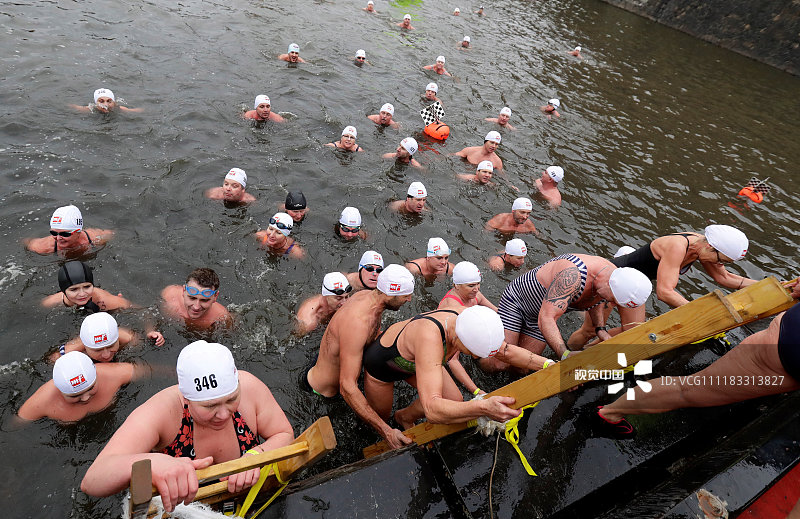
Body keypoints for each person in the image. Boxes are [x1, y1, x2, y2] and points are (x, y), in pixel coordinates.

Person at [81, 341, 294, 513]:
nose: (223, 414)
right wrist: (155, 463)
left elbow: (284, 434)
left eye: (231, 400)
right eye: (210, 406)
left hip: (253, 498)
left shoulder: (250, 388)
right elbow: (93, 480)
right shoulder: (162, 411)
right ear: (186, 398)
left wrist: (257, 455)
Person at [595, 284, 800, 438]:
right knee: (686, 390)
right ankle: (610, 413)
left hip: (785, 331)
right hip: (780, 357)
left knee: (686, 388)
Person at [363, 306, 554, 429]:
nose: (473, 357)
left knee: (455, 400)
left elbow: (507, 351)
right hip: (383, 369)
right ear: (456, 339)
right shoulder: (430, 337)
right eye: (471, 353)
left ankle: (404, 417)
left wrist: (548, 365)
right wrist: (482, 407)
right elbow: (432, 409)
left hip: (418, 363)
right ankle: (392, 420)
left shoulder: (470, 319)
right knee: (380, 421)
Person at [568, 225, 757, 347]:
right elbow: (664, 292)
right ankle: (565, 356)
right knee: (589, 330)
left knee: (632, 331)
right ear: (710, 246)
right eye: (721, 259)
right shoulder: (677, 246)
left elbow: (724, 278)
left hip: (635, 286)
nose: (719, 264)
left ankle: (588, 352)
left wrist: (765, 285)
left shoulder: (702, 247)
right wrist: (699, 312)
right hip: (613, 281)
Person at [304, 265, 415, 449]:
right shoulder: (358, 322)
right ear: (389, 294)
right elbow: (347, 387)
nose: (409, 299)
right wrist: (386, 431)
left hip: (334, 364)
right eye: (405, 295)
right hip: (321, 393)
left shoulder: (367, 297)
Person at [486, 257, 652, 372]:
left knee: (523, 368)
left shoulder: (610, 278)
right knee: (500, 364)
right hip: (518, 302)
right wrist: (565, 355)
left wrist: (600, 328)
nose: (612, 305)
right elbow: (546, 318)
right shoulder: (573, 275)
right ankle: (477, 350)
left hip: (541, 313)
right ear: (610, 285)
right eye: (614, 300)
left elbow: (596, 299)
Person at [18, 351, 146, 423]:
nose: (85, 398)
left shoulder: (116, 374)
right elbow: (17, 427)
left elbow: (154, 371)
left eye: (90, 388)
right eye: (75, 395)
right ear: (59, 390)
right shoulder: (40, 403)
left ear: (97, 376)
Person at [53, 312, 164, 362]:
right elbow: (53, 359)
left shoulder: (128, 338)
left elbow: (146, 315)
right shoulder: (69, 353)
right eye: (98, 350)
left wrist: (151, 332)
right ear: (85, 347)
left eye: (111, 346)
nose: (106, 355)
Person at [41, 261, 134, 312]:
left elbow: (139, 311)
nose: (82, 294)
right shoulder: (51, 302)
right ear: (63, 290)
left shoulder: (104, 301)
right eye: (74, 289)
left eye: (87, 287)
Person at [24, 205, 114, 257]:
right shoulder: (42, 247)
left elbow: (113, 233)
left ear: (78, 231)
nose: (58, 238)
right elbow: (26, 242)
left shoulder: (96, 238)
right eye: (54, 233)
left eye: (64, 234)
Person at [161, 267, 233, 330]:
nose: (196, 307)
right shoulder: (169, 296)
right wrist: (151, 332)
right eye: (192, 298)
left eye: (204, 300)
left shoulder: (220, 318)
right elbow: (152, 318)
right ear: (184, 291)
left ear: (215, 297)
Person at [295, 272, 353, 336]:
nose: (345, 303)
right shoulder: (309, 322)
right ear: (326, 296)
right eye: (339, 299)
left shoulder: (336, 302)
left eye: (346, 297)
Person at [69, 88, 142, 114]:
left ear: (114, 102)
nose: (106, 105)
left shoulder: (119, 109)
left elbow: (137, 111)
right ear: (96, 103)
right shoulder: (90, 109)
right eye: (101, 101)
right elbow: (72, 107)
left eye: (109, 101)